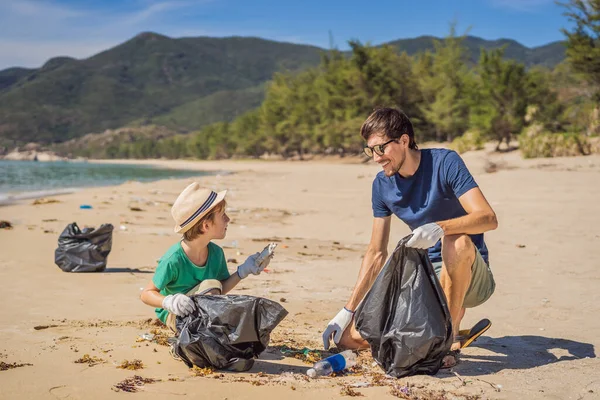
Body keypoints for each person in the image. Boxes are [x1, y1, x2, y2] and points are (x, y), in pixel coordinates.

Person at [322, 108, 498, 368]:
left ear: (404, 140)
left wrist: (441, 228)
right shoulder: (382, 186)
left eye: (380, 148)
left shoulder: (445, 162)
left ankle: (444, 339)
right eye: (370, 150)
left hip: (468, 273)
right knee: (347, 338)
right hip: (423, 279)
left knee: (455, 240)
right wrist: (347, 310)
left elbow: (488, 218)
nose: (376, 158)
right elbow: (376, 253)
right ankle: (429, 334)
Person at [140, 182, 273, 333]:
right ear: (206, 226)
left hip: (201, 309)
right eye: (223, 215)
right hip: (176, 314)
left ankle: (207, 331)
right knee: (212, 285)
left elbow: (219, 290)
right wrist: (168, 301)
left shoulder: (216, 253)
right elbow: (146, 294)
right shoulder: (173, 259)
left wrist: (243, 271)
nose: (228, 219)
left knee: (219, 293)